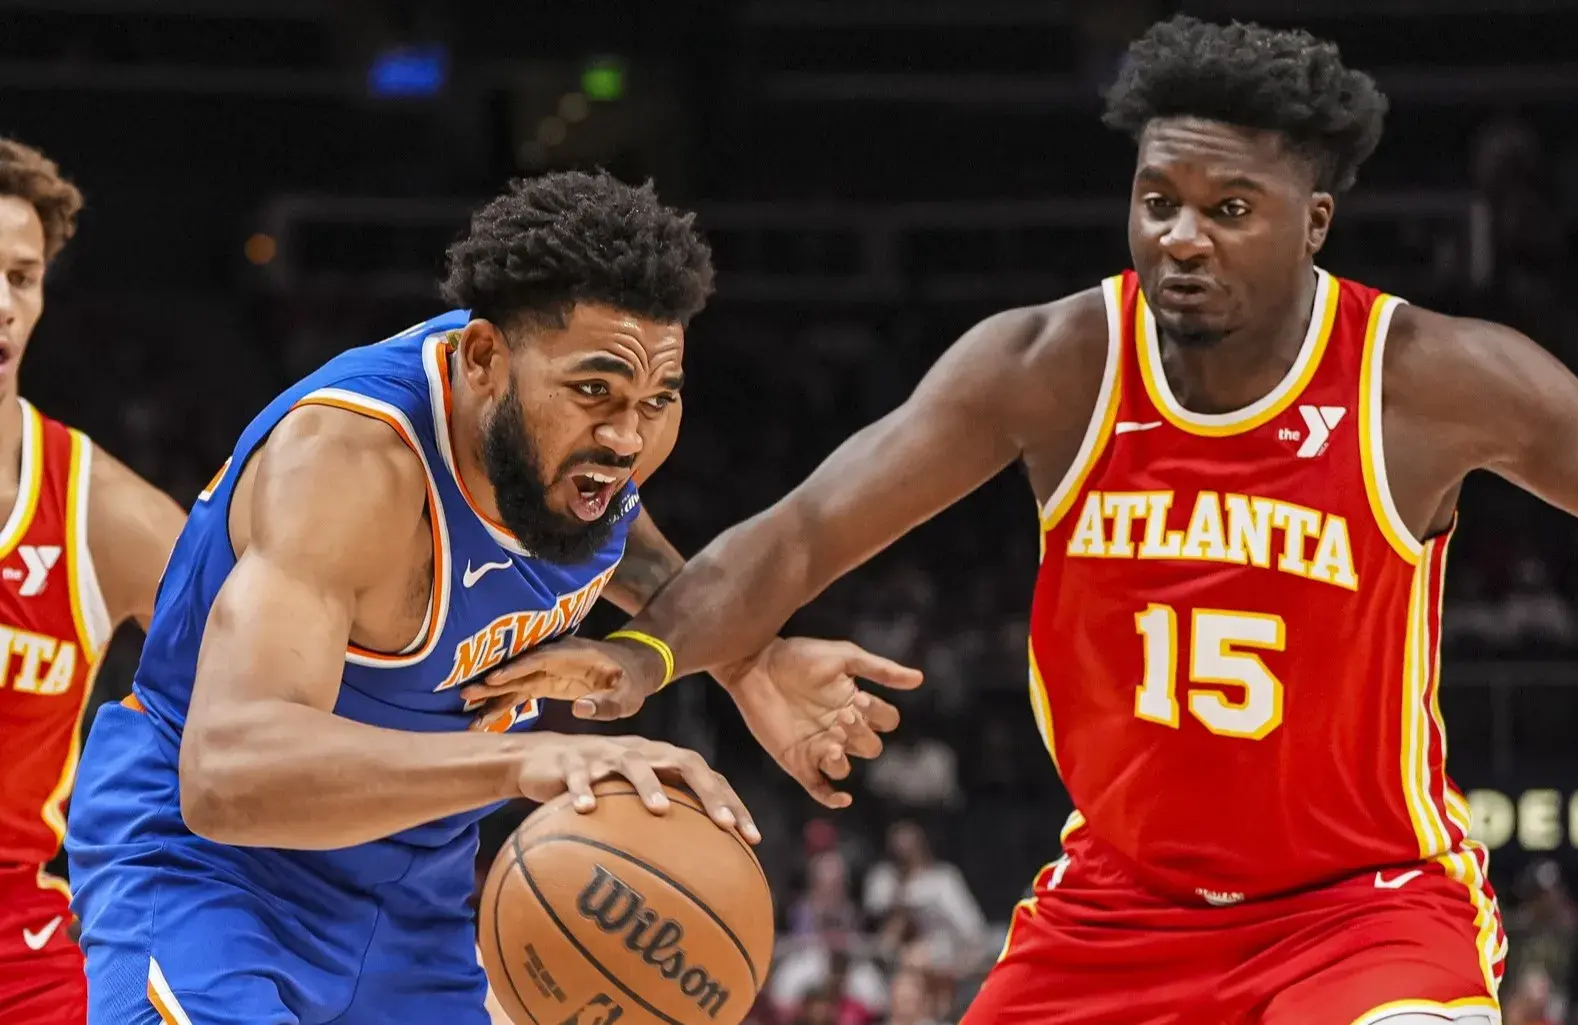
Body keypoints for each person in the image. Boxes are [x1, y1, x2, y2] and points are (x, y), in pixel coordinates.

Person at [471, 18, 1578, 1025]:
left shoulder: (1424, 381)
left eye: (1226, 210)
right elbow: (806, 531)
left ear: (1312, 221)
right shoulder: (1049, 366)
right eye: (1156, 200)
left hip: (1360, 906)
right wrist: (648, 659)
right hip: (1113, 909)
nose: (1179, 236)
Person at [64, 170, 918, 1025]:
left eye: (659, 400)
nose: (627, 438)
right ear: (482, 362)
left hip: (416, 888)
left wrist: (747, 657)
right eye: (598, 394)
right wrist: (527, 760)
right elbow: (226, 774)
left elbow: (633, 553)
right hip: (213, 873)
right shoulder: (348, 467)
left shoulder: (574, 454)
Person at [0, 138, 186, 1025]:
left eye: (22, 276)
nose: (1, 304)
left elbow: (274, 686)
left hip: (22, 960)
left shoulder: (96, 509)